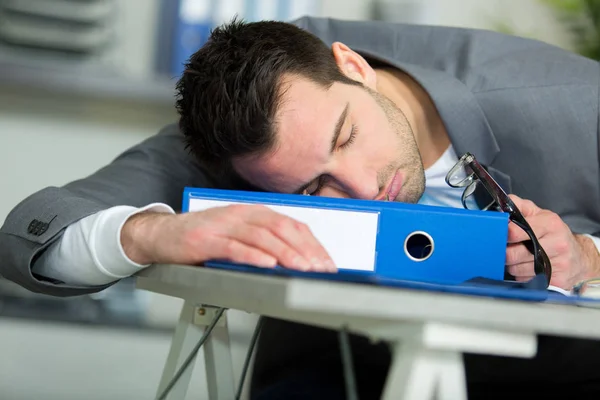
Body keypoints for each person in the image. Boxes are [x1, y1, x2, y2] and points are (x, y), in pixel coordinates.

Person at [1, 15, 600, 399]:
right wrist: (150, 236)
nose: (363, 192)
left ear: (355, 67)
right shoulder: (243, 120)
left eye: (346, 138)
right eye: (313, 189)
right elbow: (34, 233)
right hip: (328, 371)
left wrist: (588, 257)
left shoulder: (568, 103)